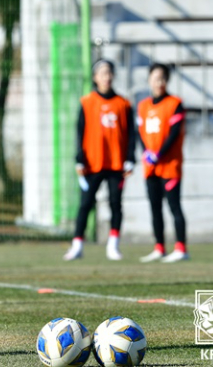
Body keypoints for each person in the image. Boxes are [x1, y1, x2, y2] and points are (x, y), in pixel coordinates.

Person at [64, 59, 135, 261]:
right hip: (92, 163)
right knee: (85, 204)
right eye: (102, 73)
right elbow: (80, 131)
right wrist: (80, 159)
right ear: (95, 77)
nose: (106, 76)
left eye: (109, 72)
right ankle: (77, 244)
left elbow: (131, 134)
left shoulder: (124, 103)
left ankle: (113, 245)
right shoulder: (87, 102)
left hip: (116, 164)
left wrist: (130, 158)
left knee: (115, 204)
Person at [137, 63, 189, 263]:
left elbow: (174, 134)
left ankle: (181, 247)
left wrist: (159, 154)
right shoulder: (143, 106)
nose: (159, 82)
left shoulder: (175, 103)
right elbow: (140, 133)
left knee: (174, 206)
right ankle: (159, 246)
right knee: (155, 208)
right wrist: (147, 153)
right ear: (149, 80)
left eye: (163, 78)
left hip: (170, 166)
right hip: (150, 168)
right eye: (156, 78)